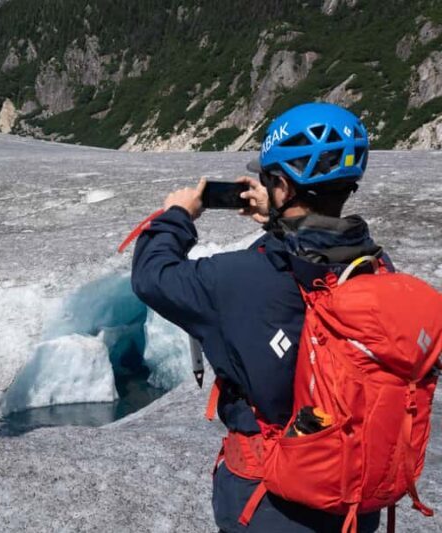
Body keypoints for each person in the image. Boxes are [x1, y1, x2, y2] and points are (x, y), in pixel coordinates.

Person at [131, 103, 381, 532]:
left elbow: (152, 276)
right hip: (354, 498)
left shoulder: (236, 278)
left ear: (281, 184)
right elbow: (317, 247)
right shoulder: (373, 267)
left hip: (272, 502)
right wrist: (281, 219)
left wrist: (177, 216)